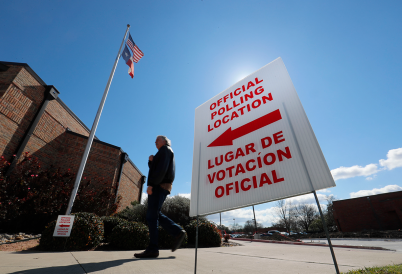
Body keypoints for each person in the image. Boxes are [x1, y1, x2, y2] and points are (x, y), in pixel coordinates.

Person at [134, 135, 186, 258]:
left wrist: (151, 184)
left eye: (157, 140)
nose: (155, 142)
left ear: (164, 141)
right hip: (162, 185)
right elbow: (156, 168)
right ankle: (178, 232)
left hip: (159, 186)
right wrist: (151, 161)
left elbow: (160, 170)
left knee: (152, 216)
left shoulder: (165, 150)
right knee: (154, 214)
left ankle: (153, 249)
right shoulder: (163, 152)